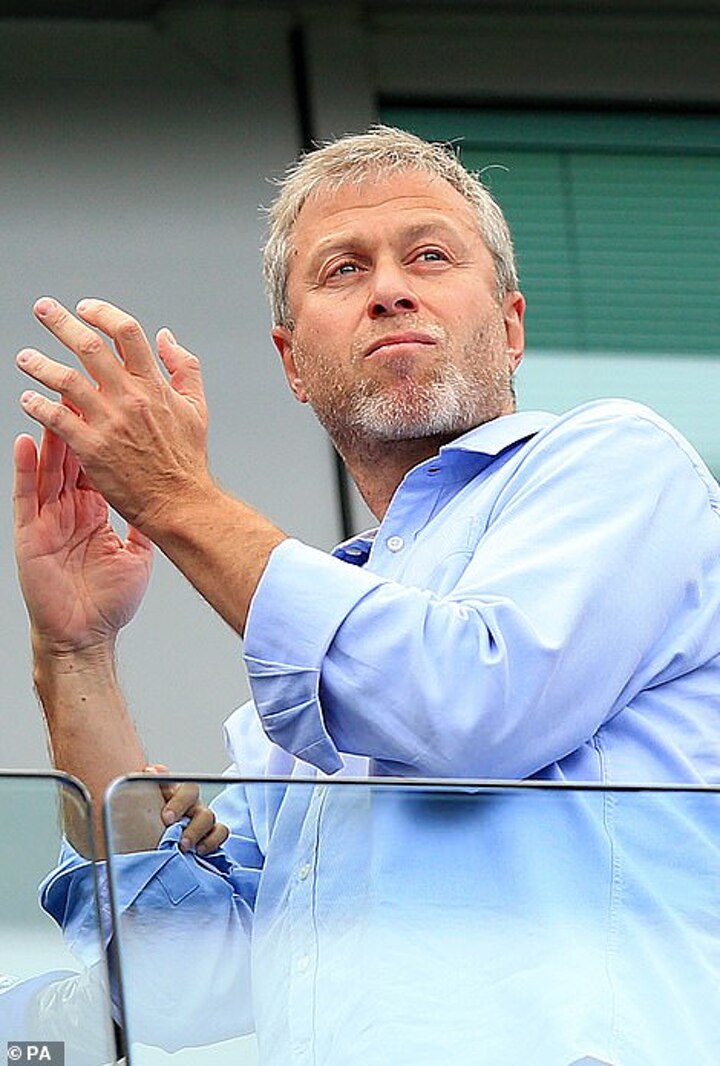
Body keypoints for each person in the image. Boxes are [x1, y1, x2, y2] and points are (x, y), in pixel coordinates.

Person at [13, 127, 720, 1063]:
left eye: (430, 256)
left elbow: (467, 698)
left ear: (510, 327)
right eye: (343, 269)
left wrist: (176, 497)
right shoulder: (300, 690)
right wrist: (75, 657)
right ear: (293, 365)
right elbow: (174, 985)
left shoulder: (619, 463)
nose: (390, 288)